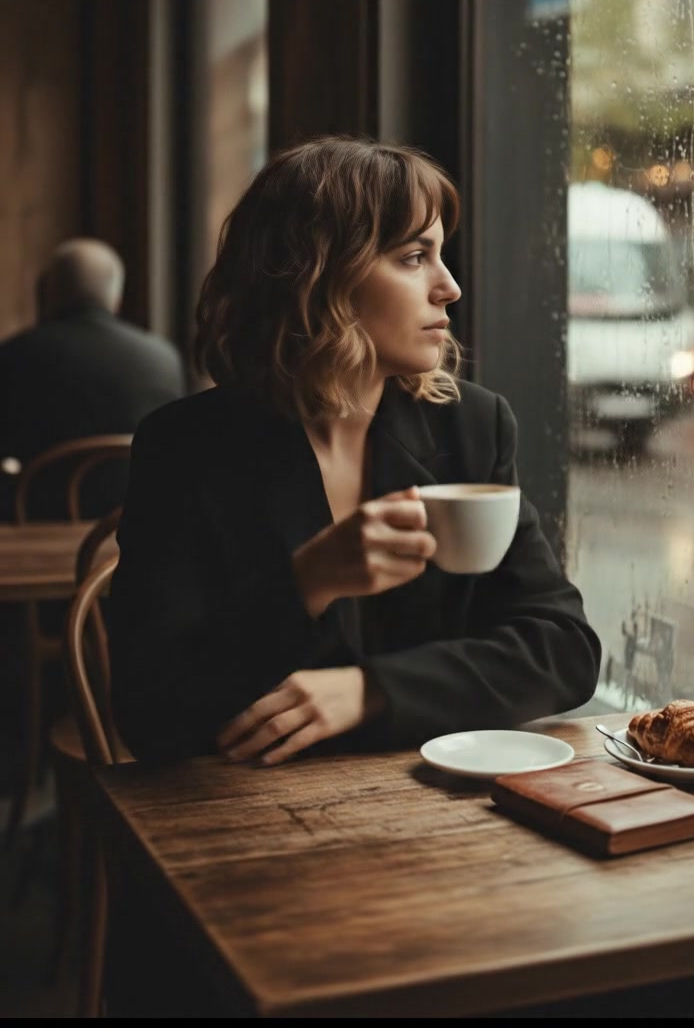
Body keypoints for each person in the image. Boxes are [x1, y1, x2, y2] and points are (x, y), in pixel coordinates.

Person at [108, 134, 602, 767]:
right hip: (247, 812)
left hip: (437, 803)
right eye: (413, 257)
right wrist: (306, 582)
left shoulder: (471, 427)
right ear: (318, 274)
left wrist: (374, 692)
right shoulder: (187, 447)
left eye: (440, 255)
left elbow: (564, 649)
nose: (448, 287)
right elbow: (149, 711)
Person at [0, 237, 188, 520]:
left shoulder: (12, 356)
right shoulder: (162, 357)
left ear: (48, 291)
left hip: (38, 526)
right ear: (116, 296)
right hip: (134, 526)